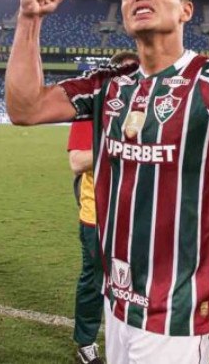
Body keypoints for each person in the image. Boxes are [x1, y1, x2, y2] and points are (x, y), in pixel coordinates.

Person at [5, 0, 209, 363]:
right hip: (117, 302)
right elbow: (24, 109)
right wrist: (29, 19)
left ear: (185, 11)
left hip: (179, 313)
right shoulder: (107, 86)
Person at [67, 52, 139, 364]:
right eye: (125, 74)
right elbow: (76, 161)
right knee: (95, 278)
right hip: (97, 215)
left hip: (137, 214)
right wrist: (118, 142)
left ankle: (131, 334)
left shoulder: (141, 109)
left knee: (135, 279)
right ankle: (85, 341)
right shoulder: (91, 108)